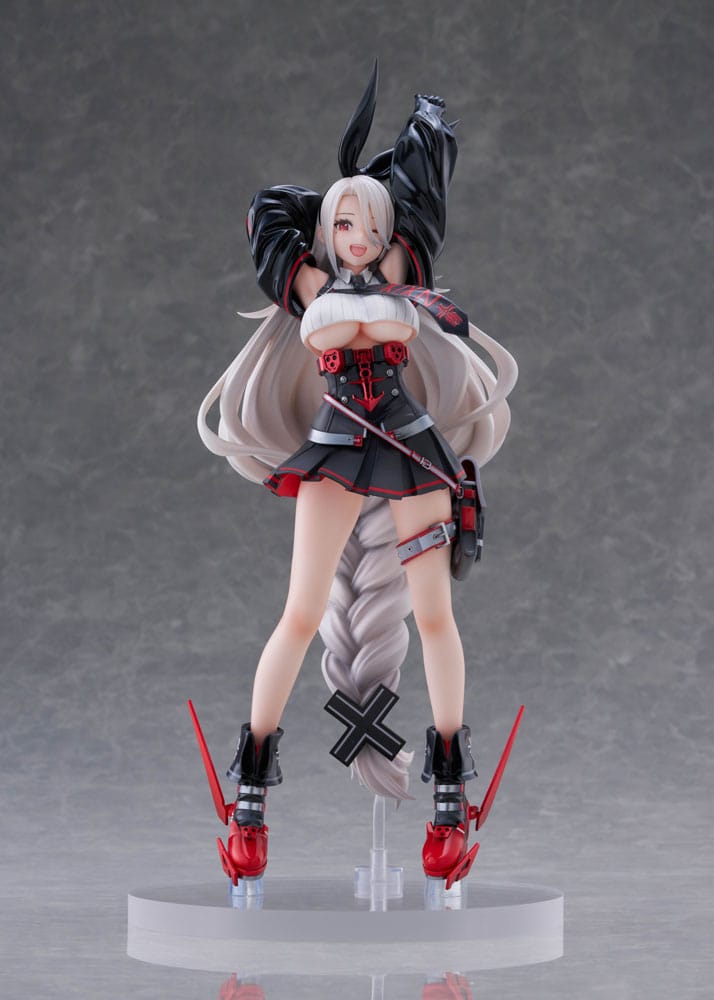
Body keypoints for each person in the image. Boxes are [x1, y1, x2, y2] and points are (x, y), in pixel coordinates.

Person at [197, 69, 517, 886]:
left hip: (410, 447)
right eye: (344, 225)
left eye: (371, 224)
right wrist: (330, 222)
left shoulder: (402, 267)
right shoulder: (313, 287)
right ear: (326, 232)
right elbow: (270, 213)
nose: (360, 237)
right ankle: (248, 796)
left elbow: (419, 211)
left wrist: (424, 134)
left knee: (436, 618)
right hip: (336, 446)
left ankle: (449, 790)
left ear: (387, 230)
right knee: (301, 614)